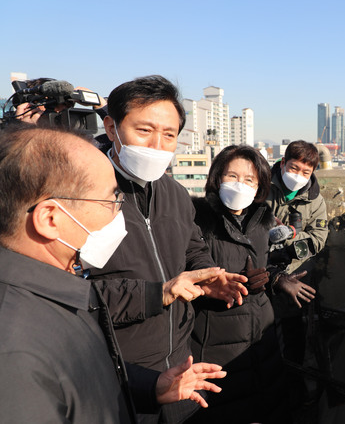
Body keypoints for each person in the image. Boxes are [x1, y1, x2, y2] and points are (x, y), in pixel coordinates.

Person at [0, 125, 227, 422]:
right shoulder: (14, 350)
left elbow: (85, 377)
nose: (119, 213)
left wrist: (152, 386)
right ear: (50, 218)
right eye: (110, 201)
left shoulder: (57, 291)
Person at [89, 75, 248, 423]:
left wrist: (209, 276)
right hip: (117, 376)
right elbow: (74, 292)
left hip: (181, 369)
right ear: (112, 127)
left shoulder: (174, 193)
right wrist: (157, 293)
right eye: (144, 130)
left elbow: (192, 247)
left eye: (169, 134)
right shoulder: (84, 193)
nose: (157, 145)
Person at [188, 145, 313, 423]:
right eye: (231, 177)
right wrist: (218, 288)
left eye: (249, 180)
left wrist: (275, 278)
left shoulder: (261, 222)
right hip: (216, 338)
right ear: (216, 178)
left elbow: (259, 267)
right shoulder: (197, 219)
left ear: (259, 187)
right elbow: (189, 273)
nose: (239, 185)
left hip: (261, 336)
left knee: (268, 403)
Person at [266, 140, 328, 366]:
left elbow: (319, 237)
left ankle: (294, 381)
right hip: (258, 271)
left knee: (293, 337)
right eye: (293, 168)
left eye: (305, 171)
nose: (298, 175)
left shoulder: (315, 201)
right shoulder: (262, 186)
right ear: (283, 163)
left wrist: (291, 238)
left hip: (294, 276)